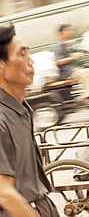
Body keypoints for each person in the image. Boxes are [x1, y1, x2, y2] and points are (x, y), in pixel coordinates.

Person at [0, 22, 59, 216]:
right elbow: (5, 194)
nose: (31, 61)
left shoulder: (21, 108)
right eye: (22, 54)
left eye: (28, 53)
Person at [52, 24, 89, 106]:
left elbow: (67, 56)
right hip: (66, 72)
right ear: (62, 32)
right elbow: (58, 61)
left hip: (70, 69)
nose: (71, 32)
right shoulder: (58, 45)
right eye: (69, 30)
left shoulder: (64, 43)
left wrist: (76, 54)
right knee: (87, 72)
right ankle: (87, 97)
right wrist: (72, 57)